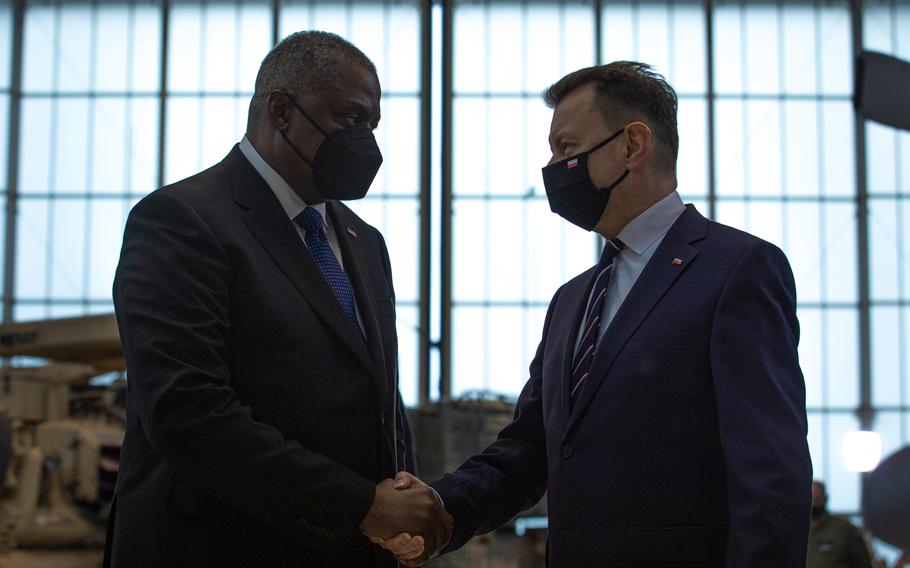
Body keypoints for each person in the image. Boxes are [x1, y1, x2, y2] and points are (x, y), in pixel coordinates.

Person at [379, 61, 812, 567]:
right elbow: (530, 448)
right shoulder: (572, 300)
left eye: (567, 149)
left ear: (632, 145)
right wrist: (439, 508)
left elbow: (769, 474)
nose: (553, 168)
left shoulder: (736, 269)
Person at [105, 31, 450, 568]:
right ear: (282, 111)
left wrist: (403, 499)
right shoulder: (182, 220)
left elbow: (378, 398)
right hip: (219, 548)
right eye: (350, 120)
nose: (366, 143)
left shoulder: (364, 241)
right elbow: (187, 412)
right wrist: (361, 505)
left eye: (373, 126)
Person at [808, 481, 874, 568]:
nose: (814, 504)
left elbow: (863, 563)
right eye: (811, 500)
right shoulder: (797, 531)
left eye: (817, 499)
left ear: (825, 499)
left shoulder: (845, 531)